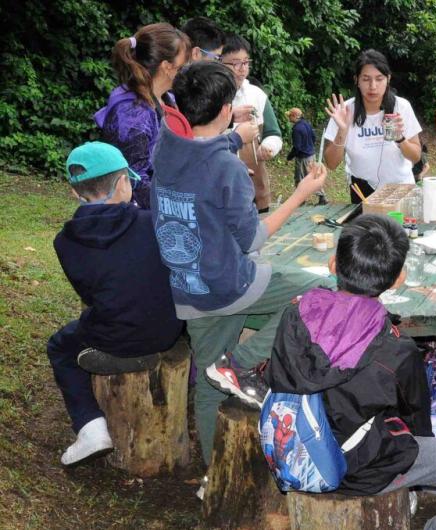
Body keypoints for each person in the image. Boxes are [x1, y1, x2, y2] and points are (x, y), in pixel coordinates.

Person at [266, 214, 436, 530]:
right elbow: (416, 424)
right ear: (398, 279)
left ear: (332, 265)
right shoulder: (396, 350)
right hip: (360, 471)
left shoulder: (294, 315)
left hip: (292, 449)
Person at [150, 61, 332, 467]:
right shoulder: (227, 168)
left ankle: (214, 477)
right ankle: (243, 365)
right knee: (326, 292)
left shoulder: (165, 147)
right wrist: (302, 191)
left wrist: (233, 138)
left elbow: (202, 154)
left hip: (191, 289)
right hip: (234, 283)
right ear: (225, 109)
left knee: (209, 384)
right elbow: (253, 239)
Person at [48, 142, 182, 466]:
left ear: (74, 192)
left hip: (112, 337)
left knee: (59, 347)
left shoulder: (64, 243)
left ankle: (90, 427)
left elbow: (91, 294)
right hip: (168, 331)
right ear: (123, 183)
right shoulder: (155, 222)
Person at [94, 23, 191, 209]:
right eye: (183, 65)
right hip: (136, 217)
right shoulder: (132, 112)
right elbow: (133, 179)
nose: (186, 69)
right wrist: (176, 207)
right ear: (167, 67)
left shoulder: (165, 98)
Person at [323, 49, 422, 203]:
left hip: (401, 190)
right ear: (357, 80)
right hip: (363, 192)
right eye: (366, 79)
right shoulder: (345, 111)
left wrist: (400, 138)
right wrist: (342, 131)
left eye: (379, 78)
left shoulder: (401, 107)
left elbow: (416, 157)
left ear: (388, 79)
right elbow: (331, 163)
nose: (373, 86)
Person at [221, 34, 283, 212]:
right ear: (219, 62)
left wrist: (269, 146)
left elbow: (274, 133)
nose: (242, 69)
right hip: (222, 189)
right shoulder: (210, 96)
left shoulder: (256, 95)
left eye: (246, 62)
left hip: (256, 188)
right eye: (235, 63)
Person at [286, 107, 327, 205]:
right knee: (314, 176)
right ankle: (322, 197)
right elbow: (313, 137)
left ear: (295, 116)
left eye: (290, 116)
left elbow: (297, 147)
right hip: (311, 155)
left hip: (303, 158)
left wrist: (289, 157)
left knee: (299, 178)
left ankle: (300, 200)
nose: (288, 118)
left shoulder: (296, 129)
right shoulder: (307, 124)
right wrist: (309, 148)